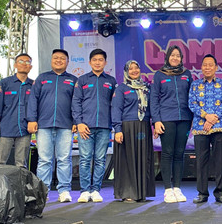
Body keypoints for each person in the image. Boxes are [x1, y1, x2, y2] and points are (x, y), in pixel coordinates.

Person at [27, 49, 77, 203]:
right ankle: (43, 191)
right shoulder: (42, 78)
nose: (59, 60)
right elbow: (33, 100)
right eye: (56, 58)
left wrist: (76, 121)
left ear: (67, 62)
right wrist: (32, 119)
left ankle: (64, 190)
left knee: (64, 159)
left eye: (62, 58)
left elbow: (77, 103)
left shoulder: (73, 80)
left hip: (66, 126)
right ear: (51, 60)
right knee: (44, 160)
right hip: (44, 125)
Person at [72, 49, 116, 203]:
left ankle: (96, 189)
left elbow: (115, 105)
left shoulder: (111, 81)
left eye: (101, 59)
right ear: (90, 62)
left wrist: (114, 124)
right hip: (85, 127)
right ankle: (84, 191)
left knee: (100, 159)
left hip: (104, 126)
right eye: (95, 60)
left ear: (105, 62)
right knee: (84, 159)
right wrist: (79, 123)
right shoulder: (82, 80)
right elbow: (76, 102)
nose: (98, 62)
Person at [150, 45, 193, 203]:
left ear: (182, 58)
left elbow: (192, 96)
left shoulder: (186, 74)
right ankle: (168, 189)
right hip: (166, 118)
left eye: (178, 56)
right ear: (167, 57)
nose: (175, 58)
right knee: (167, 153)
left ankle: (177, 188)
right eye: (172, 55)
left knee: (179, 153)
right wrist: (156, 120)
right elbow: (154, 99)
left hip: (185, 118)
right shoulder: (160, 75)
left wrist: (194, 118)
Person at [189, 54, 222, 204]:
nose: (207, 67)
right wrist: (206, 116)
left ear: (216, 67)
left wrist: (213, 118)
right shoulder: (195, 85)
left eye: (210, 65)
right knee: (201, 161)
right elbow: (192, 104)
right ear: (201, 67)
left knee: (220, 161)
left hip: (219, 127)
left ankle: (220, 193)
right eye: (205, 65)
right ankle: (202, 193)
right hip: (201, 127)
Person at [112, 60, 155, 202]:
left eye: (136, 68)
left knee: (143, 159)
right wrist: (118, 129)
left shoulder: (147, 87)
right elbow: (116, 109)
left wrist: (154, 124)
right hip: (127, 127)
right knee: (127, 160)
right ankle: (128, 193)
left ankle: (141, 192)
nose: (134, 71)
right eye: (130, 69)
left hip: (143, 127)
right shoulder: (121, 88)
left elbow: (153, 107)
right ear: (126, 71)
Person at [0, 53, 34, 167]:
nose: (24, 64)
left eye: (27, 62)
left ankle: (20, 185)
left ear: (31, 67)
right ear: (15, 65)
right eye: (21, 61)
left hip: (24, 130)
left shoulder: (34, 85)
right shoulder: (5, 83)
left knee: (21, 164)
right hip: (6, 128)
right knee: (0, 162)